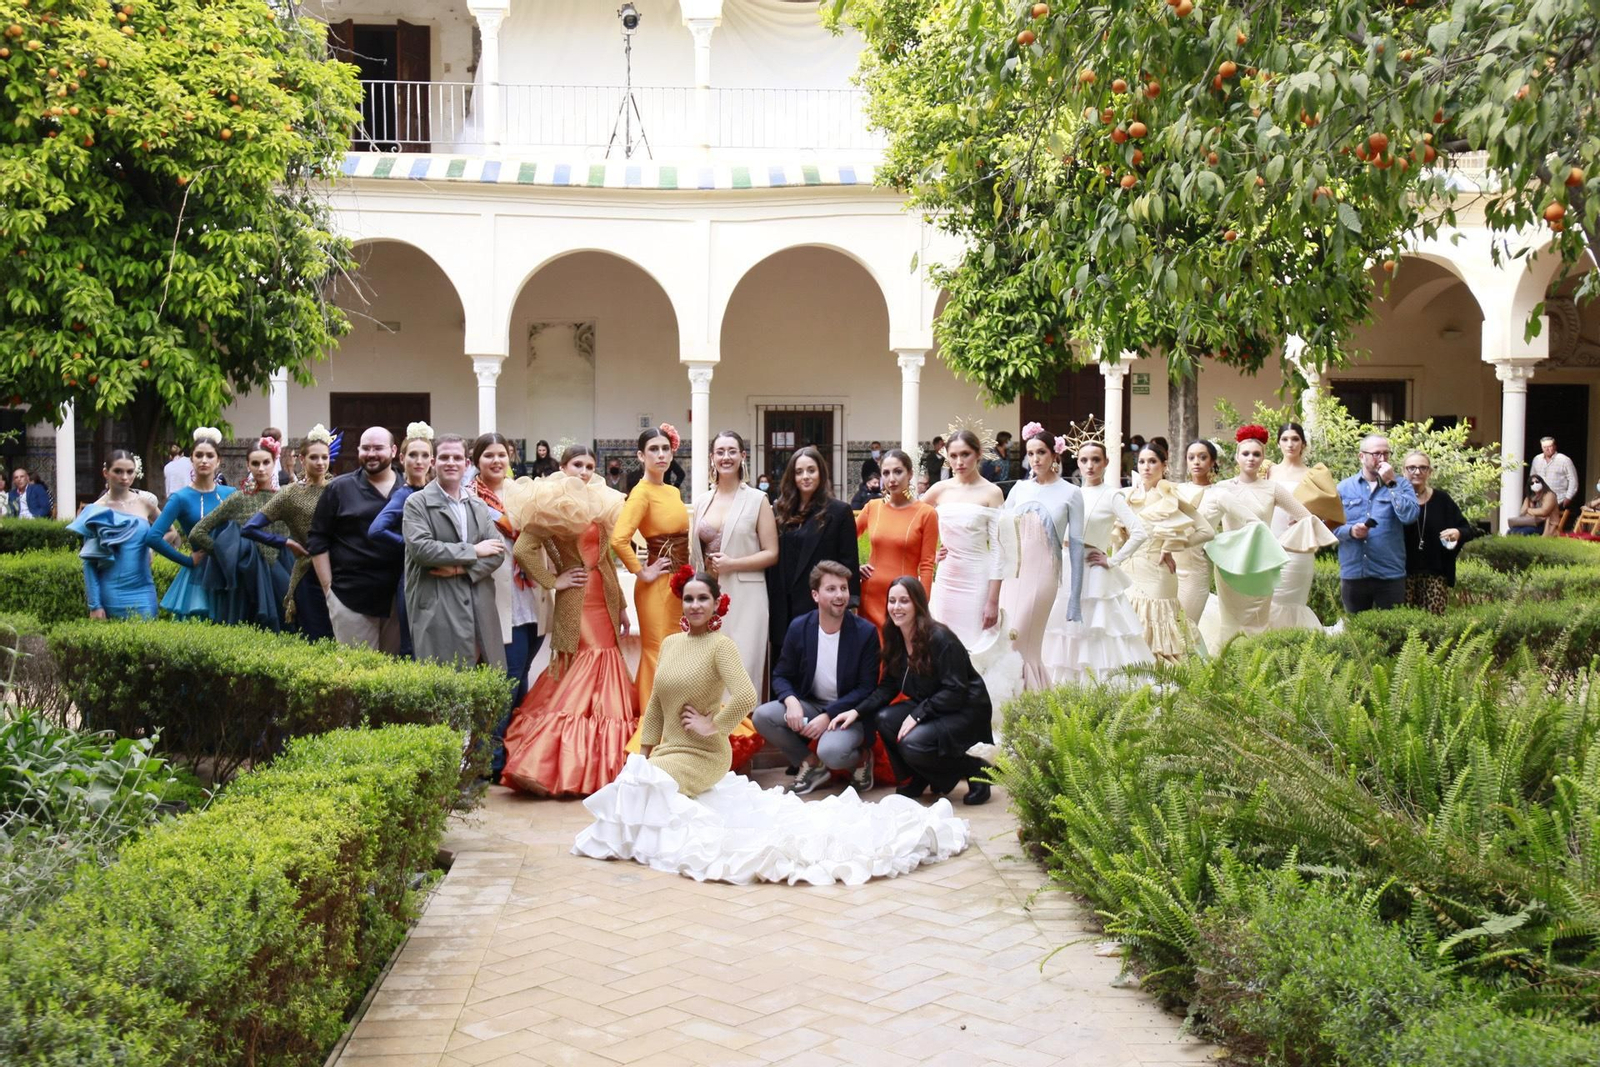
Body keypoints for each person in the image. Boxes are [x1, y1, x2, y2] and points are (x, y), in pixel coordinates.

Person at [574, 570, 969, 887]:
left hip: (706, 753)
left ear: (716, 604)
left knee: (653, 784)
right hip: (669, 749)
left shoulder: (720, 646)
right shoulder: (672, 644)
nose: (695, 605)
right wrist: (642, 754)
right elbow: (657, 704)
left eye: (702, 598)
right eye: (689, 598)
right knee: (636, 777)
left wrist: (714, 726)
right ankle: (639, 829)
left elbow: (746, 697)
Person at [502, 446, 636, 796]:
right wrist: (553, 581)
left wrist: (620, 606)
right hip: (575, 597)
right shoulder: (552, 502)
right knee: (586, 662)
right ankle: (553, 761)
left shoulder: (601, 502)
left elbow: (606, 561)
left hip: (603, 598)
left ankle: (600, 763)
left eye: (590, 466)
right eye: (577, 465)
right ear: (563, 467)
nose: (584, 471)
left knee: (606, 662)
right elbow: (522, 550)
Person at [855, 577, 992, 805]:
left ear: (917, 604)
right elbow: (888, 687)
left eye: (904, 601)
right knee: (885, 719)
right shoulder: (895, 636)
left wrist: (917, 714)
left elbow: (955, 690)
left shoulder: (940, 638)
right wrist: (857, 712)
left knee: (912, 743)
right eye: (892, 601)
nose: (896, 607)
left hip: (965, 710)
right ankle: (918, 775)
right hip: (934, 705)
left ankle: (976, 768)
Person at [1200, 425, 1336, 645]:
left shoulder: (1273, 488)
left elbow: (1306, 516)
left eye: (1256, 454)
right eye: (1245, 453)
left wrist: (1283, 541)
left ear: (1263, 458)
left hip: (1262, 564)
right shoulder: (1221, 488)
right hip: (1229, 564)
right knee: (1230, 622)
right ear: (1237, 457)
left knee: (1258, 622)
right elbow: (1204, 523)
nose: (1251, 458)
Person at [754, 561, 882, 794]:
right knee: (763, 716)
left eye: (843, 588)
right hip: (810, 705)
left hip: (849, 713)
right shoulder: (800, 627)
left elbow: (866, 688)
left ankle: (862, 759)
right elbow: (781, 674)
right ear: (815, 595)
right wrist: (791, 700)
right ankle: (812, 764)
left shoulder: (865, 633)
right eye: (831, 589)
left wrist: (828, 716)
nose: (840, 595)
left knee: (831, 752)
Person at [469, 432, 547, 779]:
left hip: (531, 596)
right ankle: (490, 759)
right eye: (488, 456)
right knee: (507, 678)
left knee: (522, 677)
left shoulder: (523, 494)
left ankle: (514, 751)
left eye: (502, 454)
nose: (496, 461)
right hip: (499, 598)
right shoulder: (470, 499)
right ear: (477, 461)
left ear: (511, 457)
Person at [1041, 441, 1153, 681]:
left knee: (1096, 630)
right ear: (1077, 463)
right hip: (1067, 568)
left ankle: (1096, 684)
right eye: (1084, 460)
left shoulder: (1112, 495)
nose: (1090, 466)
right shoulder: (1071, 493)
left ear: (1106, 462)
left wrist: (1113, 560)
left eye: (1096, 460)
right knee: (1062, 629)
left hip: (1093, 570)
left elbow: (1140, 532)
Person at [401, 433, 506, 671]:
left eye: (457, 458)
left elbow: (497, 552)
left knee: (486, 682)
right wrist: (473, 550)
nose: (451, 463)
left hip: (478, 602)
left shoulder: (477, 504)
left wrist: (460, 569)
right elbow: (422, 550)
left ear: (467, 464)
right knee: (444, 685)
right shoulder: (417, 503)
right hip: (439, 605)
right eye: (444, 457)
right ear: (433, 462)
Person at [691, 430, 778, 691]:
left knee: (742, 665)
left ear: (743, 456)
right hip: (708, 596)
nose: (725, 457)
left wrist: (733, 564)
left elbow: (772, 553)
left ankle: (743, 728)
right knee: (708, 668)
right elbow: (695, 552)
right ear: (711, 458)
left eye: (732, 451)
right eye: (720, 452)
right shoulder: (702, 501)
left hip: (747, 595)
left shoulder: (757, 500)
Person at [1001, 427, 1084, 690]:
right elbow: (1000, 532)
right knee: (1005, 640)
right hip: (1011, 575)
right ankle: (1003, 703)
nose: (1035, 459)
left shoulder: (1071, 493)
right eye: (1031, 454)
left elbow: (1078, 547)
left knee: (1023, 642)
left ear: (1054, 455)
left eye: (1041, 453)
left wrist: (1075, 598)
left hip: (1044, 575)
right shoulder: (1019, 488)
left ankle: (1030, 703)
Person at [612, 425, 689, 711]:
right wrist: (642, 571)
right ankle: (652, 722)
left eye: (665, 449)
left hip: (678, 584)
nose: (660, 455)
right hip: (655, 586)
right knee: (658, 652)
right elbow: (619, 539)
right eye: (653, 450)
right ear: (641, 456)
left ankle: (674, 719)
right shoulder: (640, 493)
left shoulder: (672, 491)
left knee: (677, 651)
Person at [307, 426, 404, 651]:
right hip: (350, 595)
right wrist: (328, 588)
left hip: (399, 599)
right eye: (365, 448)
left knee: (396, 673)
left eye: (378, 448)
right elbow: (317, 539)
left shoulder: (410, 489)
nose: (371, 454)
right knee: (356, 674)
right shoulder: (339, 488)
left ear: (393, 450)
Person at [187, 436, 293, 629]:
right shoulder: (238, 499)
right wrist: (228, 554)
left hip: (281, 571)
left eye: (266, 462)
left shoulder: (286, 499)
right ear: (247, 465)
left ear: (274, 462)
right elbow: (197, 532)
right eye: (255, 463)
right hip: (246, 579)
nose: (261, 468)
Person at [243, 425, 338, 640]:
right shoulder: (290, 494)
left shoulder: (338, 487)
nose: (321, 463)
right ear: (302, 460)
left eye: (325, 457)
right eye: (314, 457)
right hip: (307, 572)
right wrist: (286, 543)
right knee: (315, 637)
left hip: (341, 570)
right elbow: (249, 528)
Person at [766, 446, 860, 661]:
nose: (805, 477)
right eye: (799, 472)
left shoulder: (839, 511)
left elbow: (848, 560)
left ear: (821, 473)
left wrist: (848, 602)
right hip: (782, 603)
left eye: (811, 470)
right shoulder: (779, 509)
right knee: (783, 667)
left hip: (816, 602)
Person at [1122, 443, 1214, 662]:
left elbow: (1206, 531)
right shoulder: (1128, 496)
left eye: (1152, 461)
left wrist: (1173, 545)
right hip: (1129, 572)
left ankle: (1164, 684)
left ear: (1164, 466)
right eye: (1142, 462)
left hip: (1158, 574)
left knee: (1159, 626)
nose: (1146, 467)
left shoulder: (1170, 496)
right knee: (1130, 625)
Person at [922, 430, 1010, 647]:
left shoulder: (992, 492)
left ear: (978, 454)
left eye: (965, 454)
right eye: (953, 456)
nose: (959, 461)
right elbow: (914, 523)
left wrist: (993, 599)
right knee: (941, 640)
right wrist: (929, 554)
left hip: (977, 578)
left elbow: (999, 549)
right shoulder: (939, 489)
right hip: (946, 577)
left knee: (974, 641)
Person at [144, 428, 236, 619]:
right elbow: (153, 537)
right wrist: (187, 560)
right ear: (191, 460)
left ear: (218, 461)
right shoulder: (180, 498)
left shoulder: (231, 494)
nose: (204, 460)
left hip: (229, 571)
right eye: (199, 455)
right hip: (198, 576)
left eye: (210, 456)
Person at [368, 423, 437, 656]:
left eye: (424, 455)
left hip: (438, 576)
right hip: (411, 578)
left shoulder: (434, 492)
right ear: (402, 458)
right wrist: (408, 545)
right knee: (412, 645)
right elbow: (376, 530)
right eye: (413, 455)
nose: (419, 460)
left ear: (432, 461)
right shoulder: (403, 495)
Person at [68, 451, 161, 619]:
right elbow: (89, 563)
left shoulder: (146, 503)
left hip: (144, 590)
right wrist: (95, 605)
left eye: (129, 472)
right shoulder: (95, 510)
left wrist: (151, 547)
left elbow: (171, 533)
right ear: (106, 473)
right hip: (111, 592)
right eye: (118, 471)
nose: (124, 477)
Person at [1334, 434, 1420, 614]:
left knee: (1392, 634)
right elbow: (1329, 527)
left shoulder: (1401, 485)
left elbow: (1410, 516)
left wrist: (1390, 483)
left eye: (1386, 454)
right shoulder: (1344, 488)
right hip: (1354, 573)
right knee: (1356, 633)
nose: (1382, 459)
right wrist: (1350, 531)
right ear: (1361, 456)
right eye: (1376, 454)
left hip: (1389, 573)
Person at [855, 448, 938, 633]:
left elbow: (927, 565)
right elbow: (843, 539)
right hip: (870, 595)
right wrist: (854, 567)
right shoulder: (872, 507)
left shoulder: (926, 513)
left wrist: (922, 605)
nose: (891, 478)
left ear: (910, 474)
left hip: (903, 600)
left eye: (898, 471)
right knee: (870, 655)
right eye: (886, 473)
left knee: (898, 655)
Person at [1400, 451, 1475, 614]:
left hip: (1435, 574)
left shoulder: (1442, 500)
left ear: (1430, 472)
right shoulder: (1395, 499)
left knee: (1432, 628)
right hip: (1401, 574)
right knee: (1402, 627)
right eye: (1411, 468)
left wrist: (1457, 532)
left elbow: (1467, 530)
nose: (1417, 472)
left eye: (1422, 468)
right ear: (1403, 471)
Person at [1174, 440, 1224, 625]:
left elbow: (1245, 521)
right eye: (1191, 457)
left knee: (1187, 628)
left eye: (1203, 457)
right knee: (1168, 628)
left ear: (1212, 462)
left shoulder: (1219, 494)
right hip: (1169, 568)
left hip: (1196, 570)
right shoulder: (1176, 490)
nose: (1196, 462)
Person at [1530, 436, 1579, 520]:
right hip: (1540, 500)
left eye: (1550, 446)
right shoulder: (1537, 459)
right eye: (1545, 447)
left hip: (1559, 499)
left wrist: (1568, 497)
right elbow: (1532, 478)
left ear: (1555, 446)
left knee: (1552, 524)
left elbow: (1573, 480)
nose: (1548, 449)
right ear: (1541, 448)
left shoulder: (1564, 460)